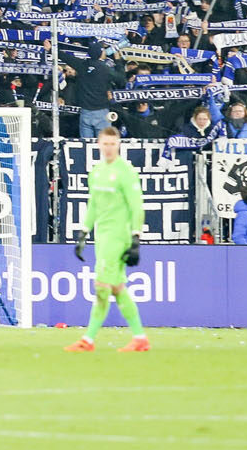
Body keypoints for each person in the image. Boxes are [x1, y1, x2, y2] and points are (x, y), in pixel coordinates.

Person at [65, 126, 149, 352]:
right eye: (105, 144)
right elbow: (93, 203)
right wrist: (84, 231)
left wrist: (136, 237)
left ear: (118, 144)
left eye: (113, 144)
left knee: (102, 287)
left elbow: (136, 206)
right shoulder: (97, 171)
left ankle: (88, 340)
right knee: (117, 288)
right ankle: (140, 338)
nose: (109, 148)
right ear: (99, 144)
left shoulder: (126, 171)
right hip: (102, 237)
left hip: (118, 236)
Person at [62, 41, 126, 139]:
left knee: (86, 144)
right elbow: (121, 79)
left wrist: (50, 49)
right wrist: (118, 60)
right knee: (103, 144)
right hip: (101, 113)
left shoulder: (82, 65)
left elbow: (66, 57)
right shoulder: (105, 69)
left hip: (85, 113)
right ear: (101, 53)